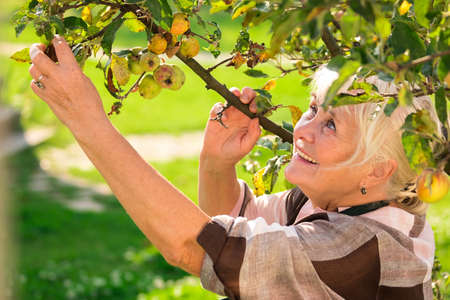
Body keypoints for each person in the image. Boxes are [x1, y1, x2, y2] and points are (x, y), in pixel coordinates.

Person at [28, 36, 436, 299]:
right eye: (313, 108)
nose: (303, 131)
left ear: (377, 170)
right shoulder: (345, 201)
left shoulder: (363, 247)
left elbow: (197, 247)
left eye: (330, 125)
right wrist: (217, 164)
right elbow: (235, 227)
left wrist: (87, 122)